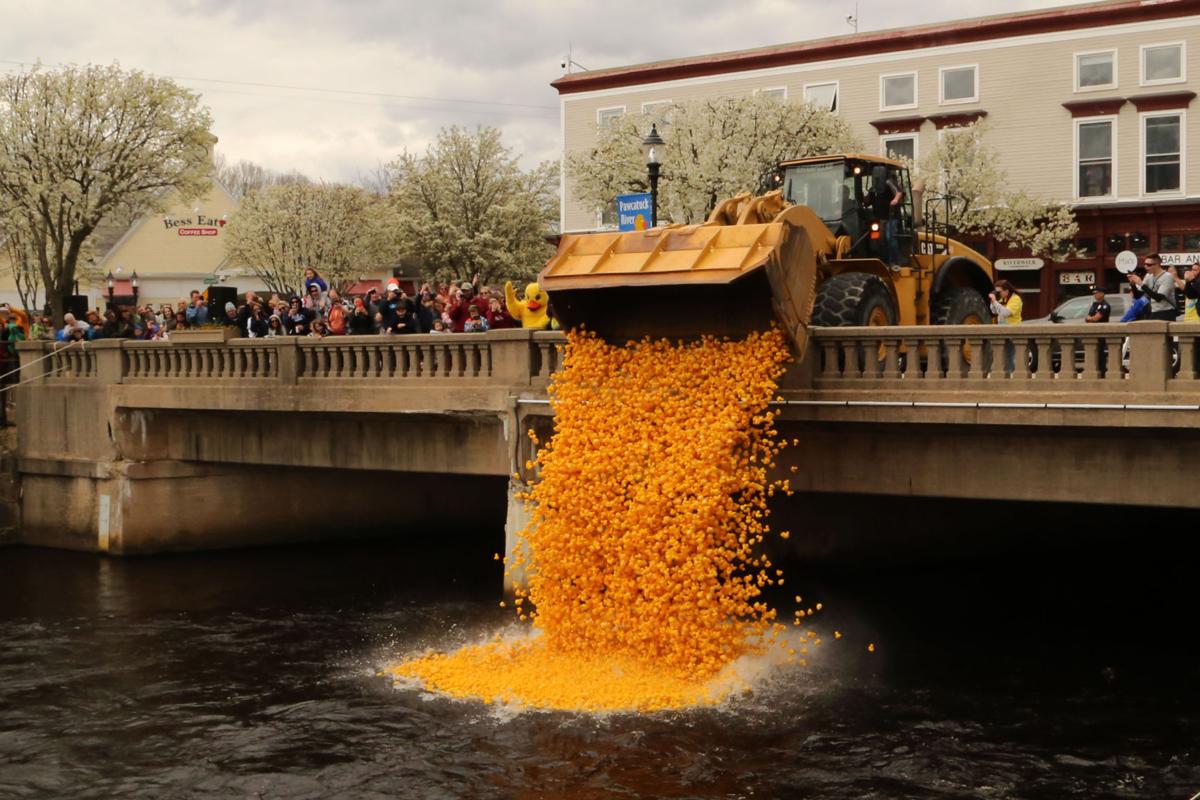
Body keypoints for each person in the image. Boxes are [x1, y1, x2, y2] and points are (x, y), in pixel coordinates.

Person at [1127, 253, 1177, 321]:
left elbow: (1158, 298)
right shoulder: (1148, 276)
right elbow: (1138, 296)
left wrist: (1141, 284)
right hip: (1153, 311)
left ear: (1157, 264)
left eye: (1149, 265)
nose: (1145, 267)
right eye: (1144, 264)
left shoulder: (1167, 277)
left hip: (1166, 311)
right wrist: (1133, 284)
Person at [869, 166, 903, 266]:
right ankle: (883, 260)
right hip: (879, 218)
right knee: (879, 240)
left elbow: (899, 192)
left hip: (891, 217)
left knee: (890, 237)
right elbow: (868, 200)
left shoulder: (888, 182)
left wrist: (895, 200)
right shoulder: (874, 188)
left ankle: (896, 260)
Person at [988, 280, 1022, 373]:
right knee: (1003, 354)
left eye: (999, 292)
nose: (998, 293)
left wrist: (995, 301)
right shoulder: (1003, 299)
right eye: (996, 291)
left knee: (1012, 356)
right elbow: (994, 311)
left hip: (1013, 330)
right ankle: (1005, 373)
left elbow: (1006, 313)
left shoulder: (1015, 299)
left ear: (1007, 290)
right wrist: (993, 301)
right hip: (1002, 330)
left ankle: (1013, 374)